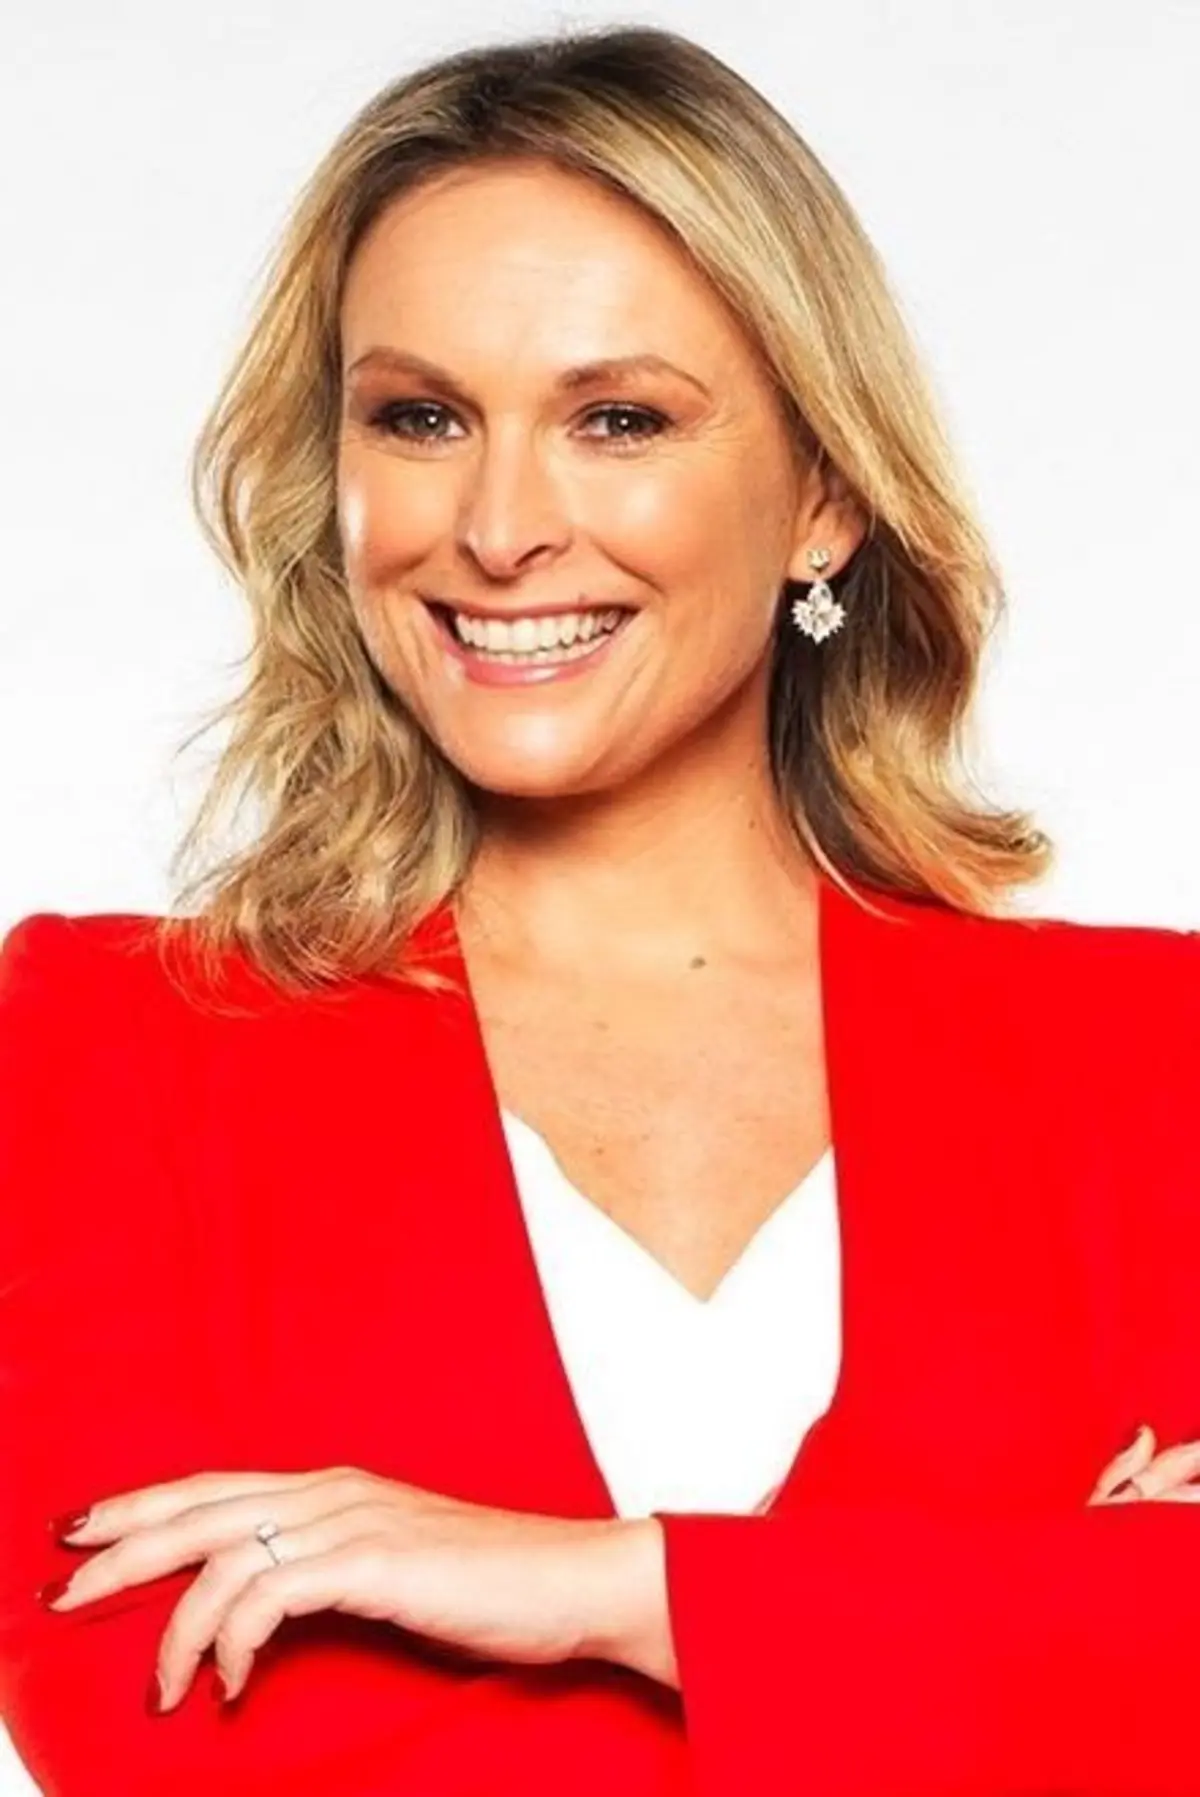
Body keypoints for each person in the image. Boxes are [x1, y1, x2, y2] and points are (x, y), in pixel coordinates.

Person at [2, 22, 1198, 1797]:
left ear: (824, 495)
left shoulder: (1156, 1056)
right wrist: (1018, 1625)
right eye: (419, 419)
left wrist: (604, 1589)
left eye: (617, 419)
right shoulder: (113, 1046)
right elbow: (157, 1719)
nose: (499, 528)